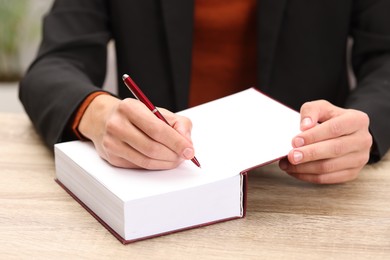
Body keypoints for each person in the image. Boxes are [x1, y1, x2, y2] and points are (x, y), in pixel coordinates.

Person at [19, 0, 390, 184]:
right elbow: (53, 65)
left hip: (302, 188)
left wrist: (364, 127)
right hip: (167, 182)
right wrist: (97, 115)